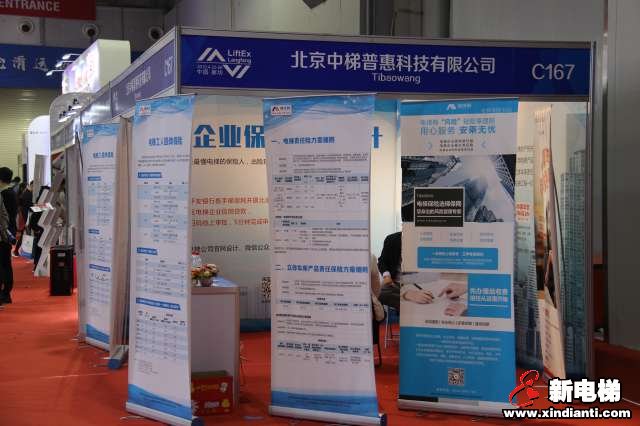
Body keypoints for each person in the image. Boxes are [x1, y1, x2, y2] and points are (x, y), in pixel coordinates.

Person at [0, 167, 18, 304]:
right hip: (9, 231)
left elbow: (3, 216)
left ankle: (5, 292)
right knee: (6, 262)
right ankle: (6, 292)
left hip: (4, 232)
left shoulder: (4, 194)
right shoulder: (11, 192)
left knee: (4, 263)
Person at [377, 231, 402, 311]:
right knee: (379, 293)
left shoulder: (423, 239)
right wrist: (386, 276)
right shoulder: (392, 239)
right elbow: (382, 261)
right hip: (395, 284)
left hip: (416, 284)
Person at [13, 181, 33, 257]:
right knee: (23, 234)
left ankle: (18, 250)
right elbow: (28, 205)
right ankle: (17, 250)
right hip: (24, 216)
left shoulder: (23, 194)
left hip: (22, 215)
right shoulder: (27, 194)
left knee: (23, 234)